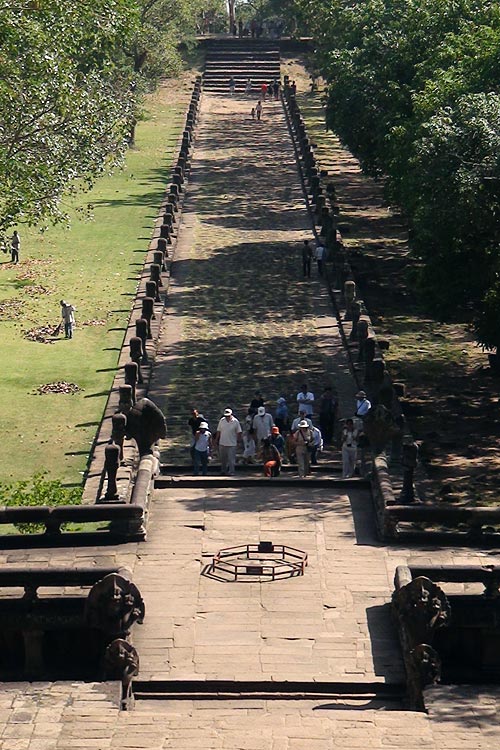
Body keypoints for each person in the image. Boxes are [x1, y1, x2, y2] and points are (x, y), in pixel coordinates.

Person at [215, 408, 242, 476]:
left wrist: (238, 441)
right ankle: (223, 470)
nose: (227, 417)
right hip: (222, 442)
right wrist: (216, 439)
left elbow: (239, 432)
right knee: (223, 459)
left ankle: (231, 471)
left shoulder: (235, 421)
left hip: (232, 444)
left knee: (231, 460)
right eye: (226, 416)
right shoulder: (222, 420)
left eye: (228, 415)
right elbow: (219, 431)